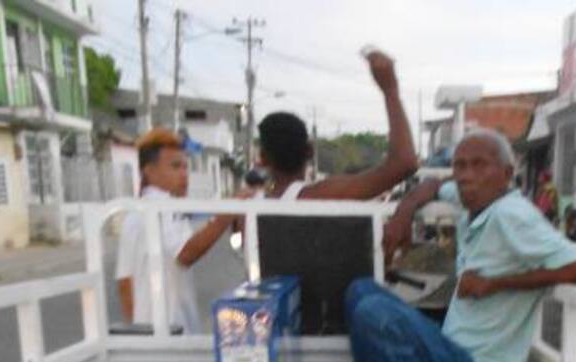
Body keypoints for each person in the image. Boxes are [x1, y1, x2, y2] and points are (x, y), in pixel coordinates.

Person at [339, 129, 576, 362]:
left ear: (507, 174)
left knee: (376, 313)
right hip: (456, 355)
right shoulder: (473, 199)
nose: (465, 175)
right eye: (460, 166)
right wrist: (403, 214)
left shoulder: (511, 215)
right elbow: (430, 186)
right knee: (360, 291)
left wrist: (495, 283)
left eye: (479, 165)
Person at [115, 128, 238, 333]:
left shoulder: (135, 214)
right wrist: (230, 211)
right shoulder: (162, 208)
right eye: (175, 167)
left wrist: (138, 330)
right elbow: (186, 254)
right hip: (173, 334)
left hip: (148, 335)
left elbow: (124, 282)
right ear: (148, 170)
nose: (184, 175)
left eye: (185, 167)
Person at [255, 50, 417, 201]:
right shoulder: (324, 195)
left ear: (262, 159)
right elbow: (403, 164)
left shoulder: (245, 207)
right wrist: (390, 90)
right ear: (310, 151)